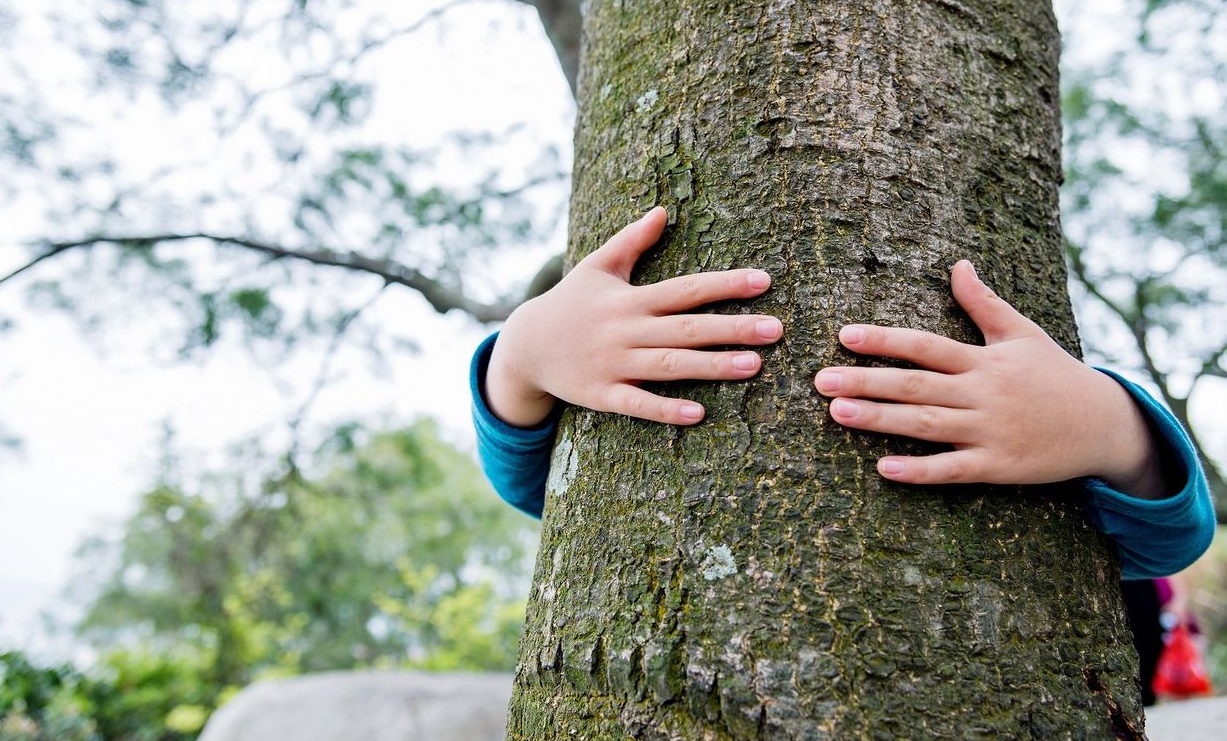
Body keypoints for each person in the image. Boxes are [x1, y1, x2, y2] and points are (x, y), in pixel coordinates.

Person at [470, 206, 1215, 580]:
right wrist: (522, 353)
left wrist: (1106, 425)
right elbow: (532, 484)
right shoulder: (572, 397)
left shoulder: (1036, 431)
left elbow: (1173, 540)